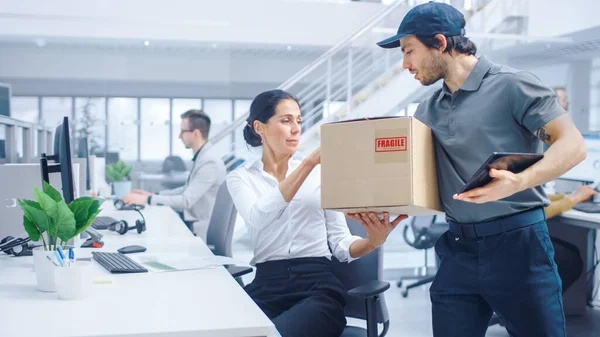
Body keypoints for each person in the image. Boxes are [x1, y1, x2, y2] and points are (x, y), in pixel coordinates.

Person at [361, 2, 587, 336]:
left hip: (519, 246)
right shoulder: (427, 108)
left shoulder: (513, 85)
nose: (405, 63)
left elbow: (573, 145)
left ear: (440, 43)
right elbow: (411, 176)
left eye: (409, 51)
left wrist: (518, 182)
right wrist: (375, 206)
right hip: (457, 249)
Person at [226, 89, 406, 337]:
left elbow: (341, 244)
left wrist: (372, 242)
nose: (296, 128)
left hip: (317, 287)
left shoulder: (322, 173)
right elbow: (258, 218)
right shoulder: (240, 178)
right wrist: (309, 163)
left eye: (299, 121)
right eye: (286, 120)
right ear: (260, 127)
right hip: (266, 284)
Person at [122, 110, 226, 239]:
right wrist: (154, 195)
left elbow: (186, 201)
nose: (179, 136)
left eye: (183, 131)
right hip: (191, 221)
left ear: (196, 133)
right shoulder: (203, 157)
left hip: (199, 229)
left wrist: (147, 200)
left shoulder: (209, 162)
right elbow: (186, 189)